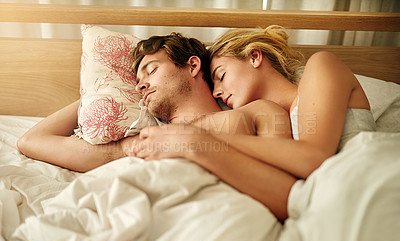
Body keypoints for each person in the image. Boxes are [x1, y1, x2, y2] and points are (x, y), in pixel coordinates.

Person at [18, 32, 296, 221]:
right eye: (137, 82)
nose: (141, 85)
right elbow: (31, 140)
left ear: (193, 65)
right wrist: (97, 91)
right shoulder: (142, 142)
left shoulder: (257, 113)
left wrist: (197, 145)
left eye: (151, 70)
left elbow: (287, 196)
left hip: (217, 220)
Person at [134, 25, 375, 180]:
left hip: (367, 176)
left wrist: (195, 139)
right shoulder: (277, 122)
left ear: (254, 56)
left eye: (221, 75)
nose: (217, 92)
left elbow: (313, 158)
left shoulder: (321, 66)